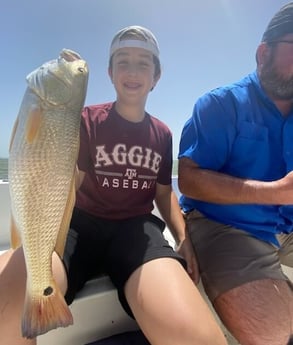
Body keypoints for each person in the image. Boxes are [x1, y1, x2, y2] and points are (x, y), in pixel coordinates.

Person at [0, 25, 228, 345]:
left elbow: (164, 193)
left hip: (136, 232)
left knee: (200, 339)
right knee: (6, 302)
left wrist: (182, 237)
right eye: (123, 62)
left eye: (143, 63)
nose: (132, 71)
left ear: (156, 77)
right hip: (79, 227)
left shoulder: (162, 134)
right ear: (109, 72)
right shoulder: (84, 120)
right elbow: (64, 181)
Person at [178, 3, 293, 345]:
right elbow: (189, 178)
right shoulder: (220, 104)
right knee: (276, 336)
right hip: (224, 228)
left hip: (287, 229)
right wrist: (275, 192)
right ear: (263, 53)